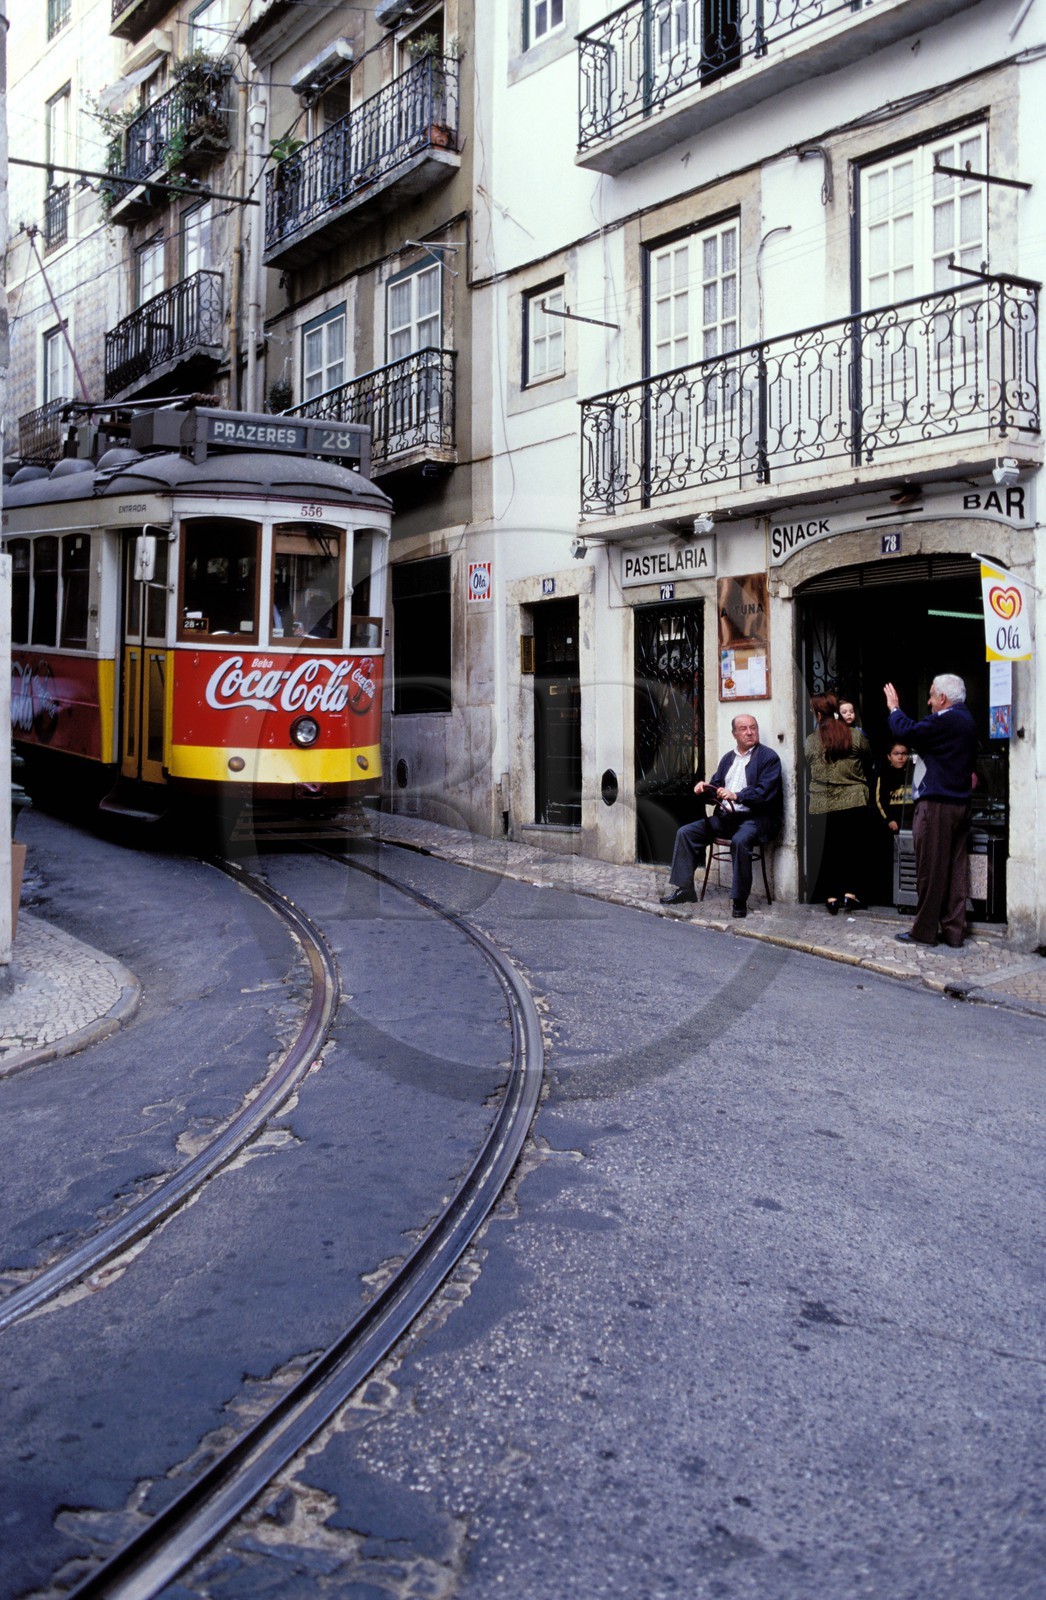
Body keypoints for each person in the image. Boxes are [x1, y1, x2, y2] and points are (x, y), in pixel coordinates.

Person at [884, 673, 978, 948]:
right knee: (955, 871)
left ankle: (924, 932)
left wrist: (894, 708)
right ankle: (953, 931)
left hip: (937, 804)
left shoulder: (946, 719)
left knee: (930, 869)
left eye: (932, 695)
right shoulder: (968, 721)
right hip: (959, 804)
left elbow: (907, 731)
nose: (928, 701)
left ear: (943, 698)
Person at [660, 713, 782, 918]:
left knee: (740, 841)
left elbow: (765, 792)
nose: (749, 732)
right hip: (727, 818)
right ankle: (685, 890)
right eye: (743, 729)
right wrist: (704, 788)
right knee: (686, 833)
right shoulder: (728, 758)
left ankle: (739, 899)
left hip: (755, 819)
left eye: (753, 727)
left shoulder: (768, 758)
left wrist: (738, 795)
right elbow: (716, 787)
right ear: (734, 733)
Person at [804, 693, 872, 914]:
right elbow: (869, 758)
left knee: (827, 852)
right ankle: (851, 894)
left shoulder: (811, 741)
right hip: (854, 799)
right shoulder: (855, 736)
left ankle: (831, 896)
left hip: (822, 803)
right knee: (852, 850)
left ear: (819, 713)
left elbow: (805, 763)